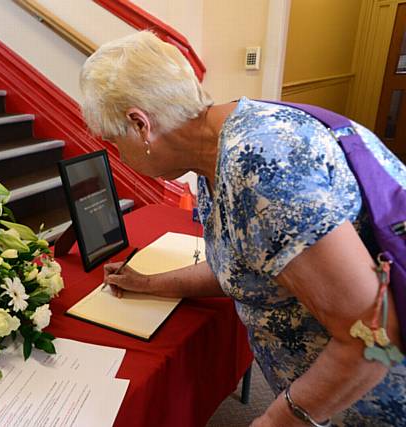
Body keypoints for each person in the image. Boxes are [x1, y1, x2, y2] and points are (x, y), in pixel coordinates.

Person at [80, 31, 406, 426]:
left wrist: (272, 421)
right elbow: (249, 265)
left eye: (115, 142)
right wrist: (148, 284)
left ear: (140, 124)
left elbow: (370, 334)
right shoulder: (215, 149)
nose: (120, 156)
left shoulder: (257, 165)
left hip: (366, 402)